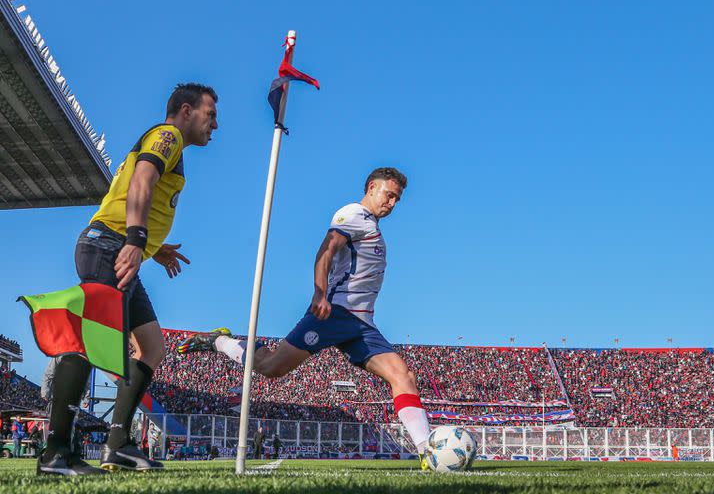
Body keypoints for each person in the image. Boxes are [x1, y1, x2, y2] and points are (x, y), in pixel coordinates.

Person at [179, 168, 432, 469]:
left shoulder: (372, 227)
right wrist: (319, 293)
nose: (392, 203)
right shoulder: (353, 214)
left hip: (362, 324)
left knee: (403, 376)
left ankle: (428, 451)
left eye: (397, 199)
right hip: (335, 312)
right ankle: (220, 341)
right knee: (272, 367)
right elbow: (326, 249)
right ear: (371, 187)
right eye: (389, 195)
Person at [37, 83, 218, 476]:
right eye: (211, 114)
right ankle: (55, 453)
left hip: (117, 245)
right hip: (110, 244)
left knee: (152, 347)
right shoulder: (167, 135)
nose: (214, 125)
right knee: (94, 341)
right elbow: (141, 183)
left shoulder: (170, 145)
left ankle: (117, 444)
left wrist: (155, 246)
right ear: (186, 111)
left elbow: (141, 193)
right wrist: (137, 240)